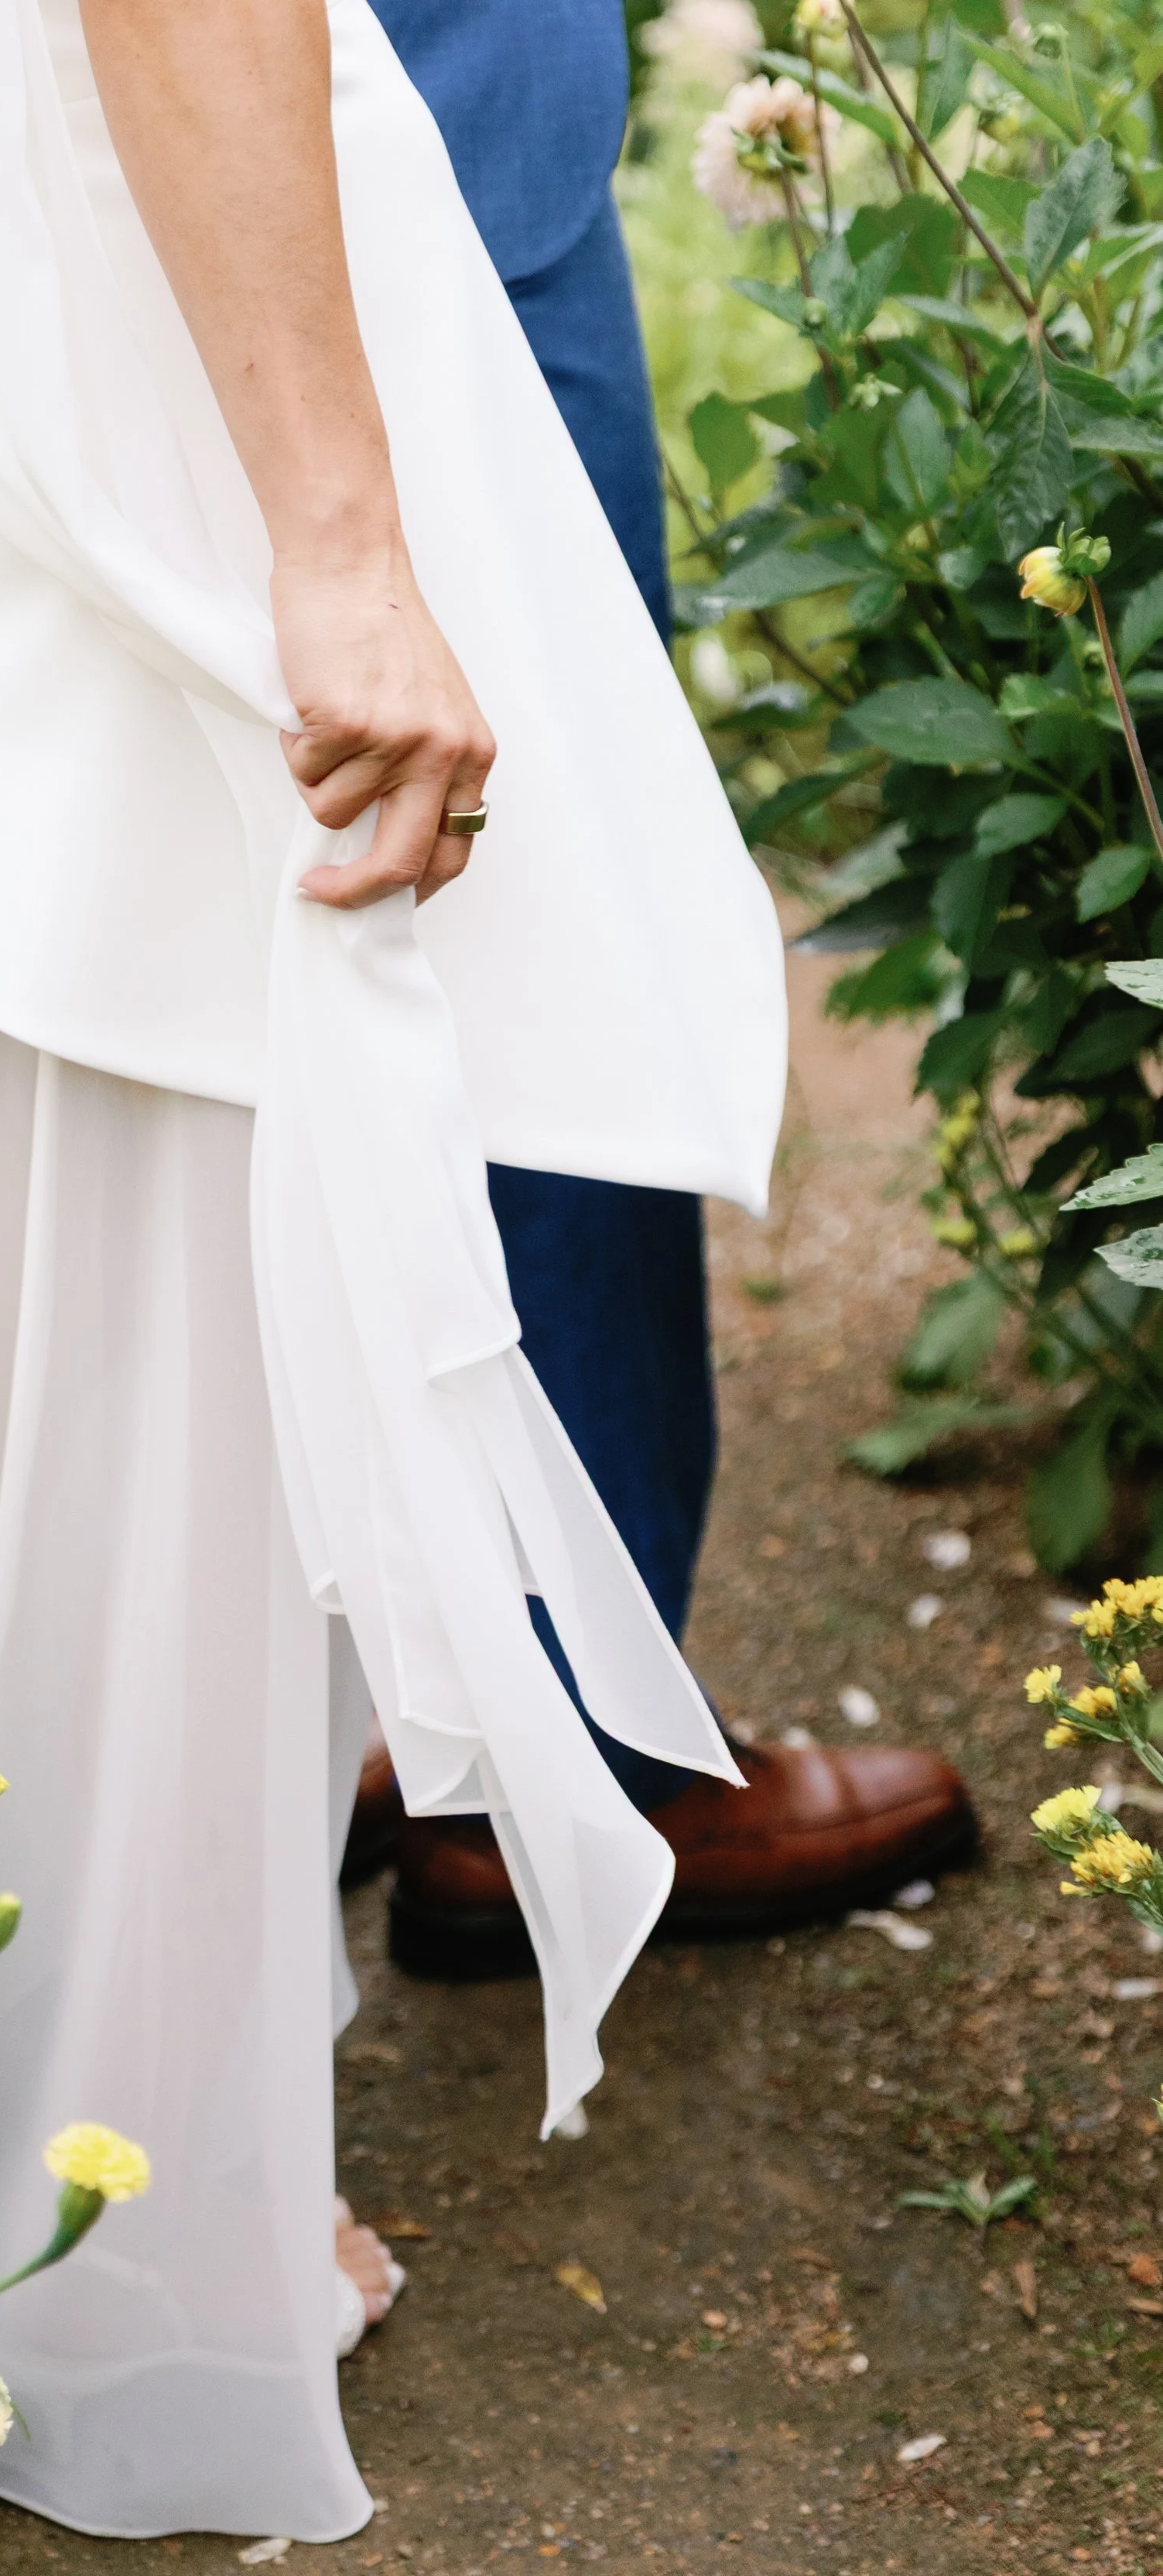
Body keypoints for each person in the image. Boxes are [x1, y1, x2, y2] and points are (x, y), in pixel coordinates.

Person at [0, 0, 785, 2540]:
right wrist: (335, 532)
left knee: (10, 1259)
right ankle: (112, 2216)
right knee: (163, 1256)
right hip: (134, 328)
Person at [351, 0, 977, 1974]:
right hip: (395, 140)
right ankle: (563, 1746)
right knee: (538, 915)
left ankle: (372, 1684)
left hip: (80, 211)